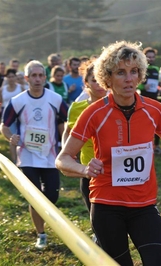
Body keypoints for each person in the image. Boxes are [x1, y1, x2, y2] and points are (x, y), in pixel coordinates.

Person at [55, 41, 161, 265]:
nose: (129, 79)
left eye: (134, 72)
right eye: (121, 72)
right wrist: (84, 169)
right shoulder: (93, 113)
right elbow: (62, 160)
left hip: (144, 204)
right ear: (107, 78)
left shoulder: (154, 109)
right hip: (107, 206)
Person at [0, 60, 68, 249]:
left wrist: (66, 141)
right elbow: (3, 125)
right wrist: (10, 137)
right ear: (27, 78)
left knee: (52, 196)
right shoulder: (18, 101)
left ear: (45, 78)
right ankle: (41, 234)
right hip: (27, 156)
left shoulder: (55, 99)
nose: (37, 79)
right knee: (34, 196)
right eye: (34, 76)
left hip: (50, 156)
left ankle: (43, 215)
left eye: (41, 75)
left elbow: (68, 120)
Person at [61, 59, 106, 215]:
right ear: (86, 83)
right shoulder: (77, 108)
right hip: (89, 172)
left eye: (102, 80)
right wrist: (67, 154)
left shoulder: (120, 106)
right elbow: (67, 131)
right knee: (97, 221)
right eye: (94, 80)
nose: (99, 85)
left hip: (116, 174)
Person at [136, 47, 161, 155]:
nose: (151, 59)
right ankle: (143, 145)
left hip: (155, 99)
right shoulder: (140, 68)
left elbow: (157, 82)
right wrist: (143, 86)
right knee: (144, 123)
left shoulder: (156, 68)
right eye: (148, 57)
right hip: (143, 100)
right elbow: (136, 84)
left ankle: (156, 146)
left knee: (157, 123)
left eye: (152, 57)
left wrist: (160, 85)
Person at [0, 68, 24, 162]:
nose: (11, 78)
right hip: (8, 117)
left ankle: (20, 159)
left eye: (13, 76)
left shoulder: (20, 88)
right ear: (6, 78)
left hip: (18, 116)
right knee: (11, 138)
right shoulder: (2, 89)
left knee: (19, 138)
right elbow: (0, 102)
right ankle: (14, 161)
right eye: (9, 77)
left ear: (15, 77)